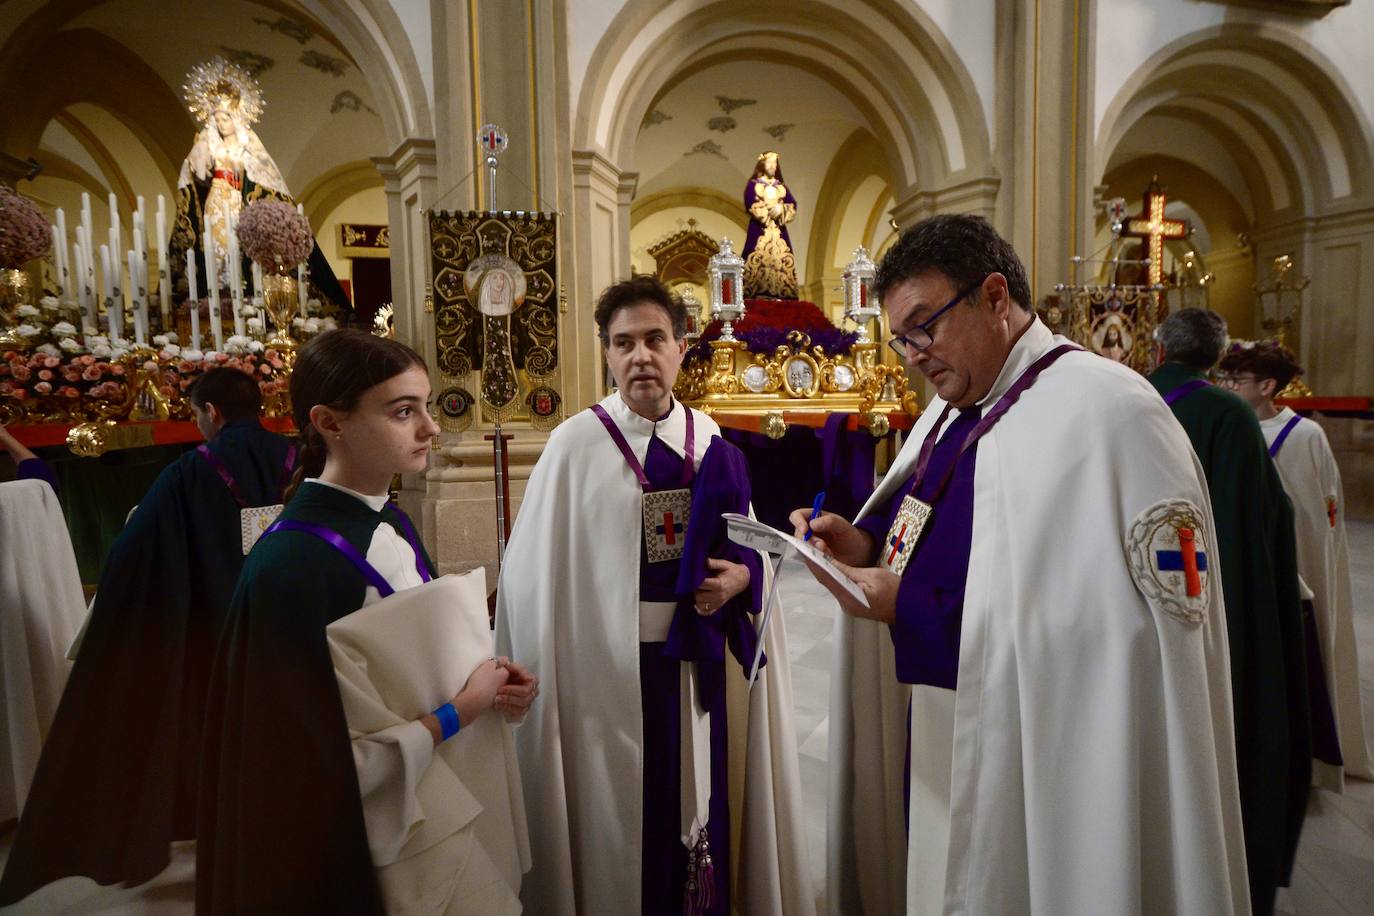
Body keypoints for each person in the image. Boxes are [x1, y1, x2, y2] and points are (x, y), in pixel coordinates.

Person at [797, 215, 1248, 915]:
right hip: (949, 716)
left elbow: (1120, 628)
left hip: (1048, 743)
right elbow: (938, 525)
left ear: (995, 296)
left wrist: (905, 604)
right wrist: (864, 543)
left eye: (925, 326)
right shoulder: (954, 410)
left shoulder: (1108, 413)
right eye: (901, 337)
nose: (913, 354)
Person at [496, 275, 813, 916]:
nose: (640, 355)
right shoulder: (574, 446)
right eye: (623, 343)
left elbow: (749, 542)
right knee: (623, 820)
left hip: (702, 667)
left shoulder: (713, 441)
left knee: (704, 805)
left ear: (681, 346)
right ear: (607, 354)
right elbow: (532, 577)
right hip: (608, 674)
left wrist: (746, 575)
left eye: (654, 338)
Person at [196, 329, 537, 914]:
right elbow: (302, 765)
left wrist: (495, 677)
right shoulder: (292, 566)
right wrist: (462, 710)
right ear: (330, 422)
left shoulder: (393, 523)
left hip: (427, 801)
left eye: (426, 406)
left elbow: (413, 664)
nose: (431, 427)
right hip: (353, 857)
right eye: (404, 411)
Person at [0, 367, 294, 907]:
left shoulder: (189, 472)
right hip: (296, 632)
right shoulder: (302, 460)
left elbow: (131, 556)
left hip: (217, 635)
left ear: (212, 413)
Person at [1148, 310, 1309, 915]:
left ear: (1159, 350)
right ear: (1216, 360)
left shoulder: (1128, 398)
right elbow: (1257, 528)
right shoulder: (1229, 416)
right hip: (1212, 606)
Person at [1218, 341, 1373, 788]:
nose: (1226, 386)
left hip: (1297, 562)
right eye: (1224, 378)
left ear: (1267, 386)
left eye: (1236, 380)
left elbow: (1322, 510)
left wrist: (1310, 558)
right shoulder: (1231, 425)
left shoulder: (1306, 435)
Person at [171, 56, 348, 312]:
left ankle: (243, 288)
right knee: (215, 247)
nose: (222, 123)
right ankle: (217, 289)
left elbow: (267, 179)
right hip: (215, 203)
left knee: (240, 247)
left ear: (237, 116)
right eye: (218, 118)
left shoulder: (249, 145)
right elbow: (195, 175)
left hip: (241, 205)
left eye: (227, 118)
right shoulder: (206, 142)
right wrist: (200, 158)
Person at [741, 151, 800, 299]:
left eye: (774, 163)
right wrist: (767, 213)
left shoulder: (781, 186)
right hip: (760, 229)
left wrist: (781, 209)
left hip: (779, 231)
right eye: (769, 163)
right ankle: (756, 290)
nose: (772, 166)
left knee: (782, 259)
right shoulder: (754, 185)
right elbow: (750, 202)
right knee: (756, 257)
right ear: (762, 165)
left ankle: (783, 292)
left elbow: (792, 204)